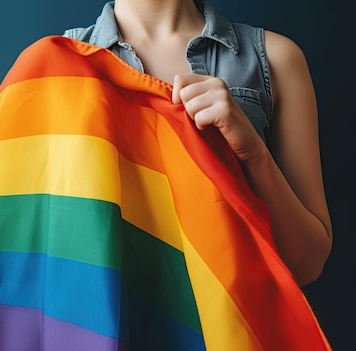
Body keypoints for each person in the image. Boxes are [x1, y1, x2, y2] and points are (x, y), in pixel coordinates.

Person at [64, 0, 332, 287]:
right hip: (117, 325)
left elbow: (307, 263)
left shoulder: (277, 59)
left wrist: (254, 154)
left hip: (234, 327)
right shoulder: (60, 67)